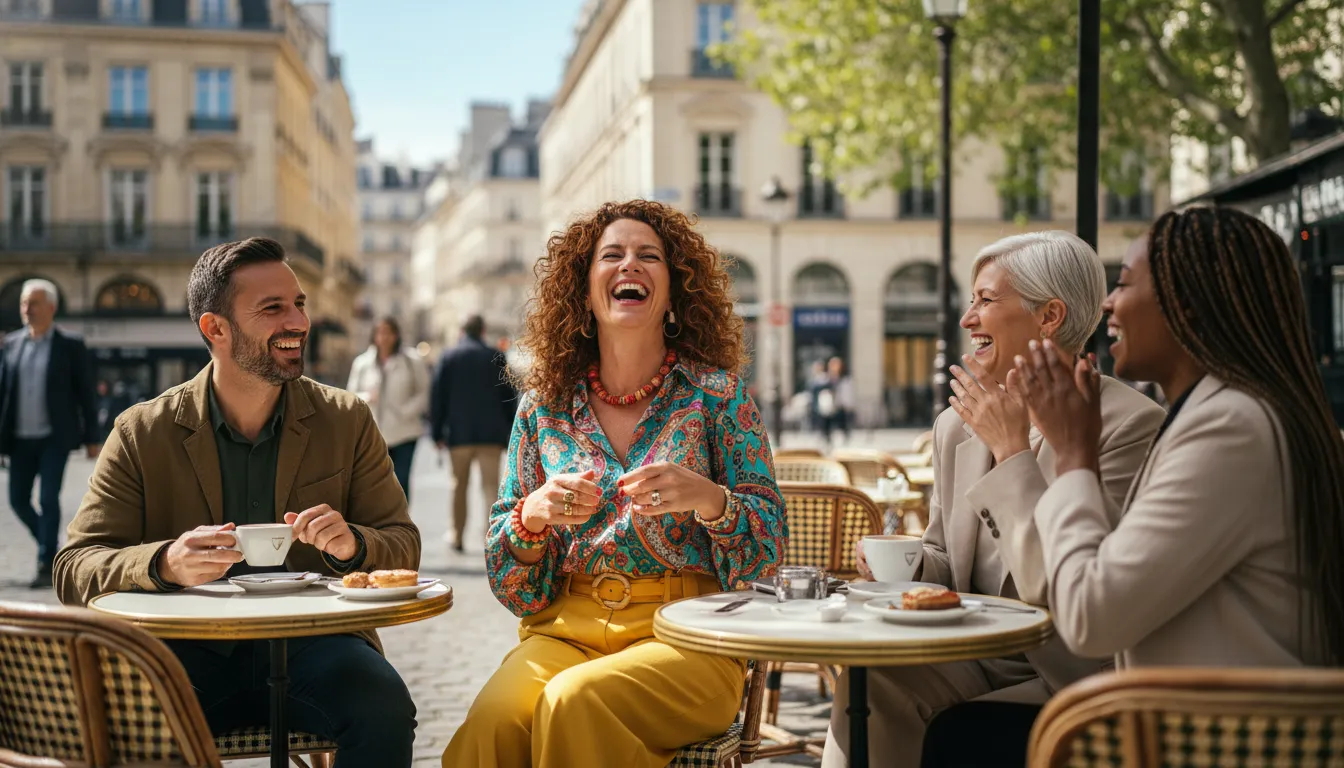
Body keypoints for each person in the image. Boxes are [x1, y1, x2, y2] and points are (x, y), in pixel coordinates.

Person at [923, 207, 1344, 767]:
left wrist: (1073, 454)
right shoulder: (1222, 414)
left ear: (1186, 307)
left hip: (1210, 733)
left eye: (1124, 283)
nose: (1106, 305)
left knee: (960, 739)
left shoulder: (1228, 429)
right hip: (1189, 714)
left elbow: (1093, 619)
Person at [442, 200, 787, 768]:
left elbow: (769, 551)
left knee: (574, 703)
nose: (630, 265)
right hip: (564, 631)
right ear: (583, 292)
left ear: (674, 292)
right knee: (494, 721)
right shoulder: (542, 407)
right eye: (612, 255)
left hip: (690, 636)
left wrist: (710, 499)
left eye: (648, 256)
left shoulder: (718, 395)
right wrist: (531, 516)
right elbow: (513, 587)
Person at [53, 237, 422, 767]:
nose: (297, 321)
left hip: (315, 645)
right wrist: (163, 562)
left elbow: (403, 545)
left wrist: (353, 544)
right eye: (273, 308)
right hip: (185, 649)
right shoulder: (141, 431)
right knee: (133, 722)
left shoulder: (346, 418)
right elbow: (74, 569)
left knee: (381, 704)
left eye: (299, 304)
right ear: (215, 328)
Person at [827, 231, 1166, 768]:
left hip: (1065, 669)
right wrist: (906, 563)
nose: (967, 318)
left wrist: (1012, 451)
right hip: (973, 652)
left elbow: (1081, 590)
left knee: (955, 728)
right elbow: (945, 561)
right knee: (870, 682)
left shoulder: (1128, 426)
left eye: (986, 300)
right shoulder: (955, 426)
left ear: (1049, 316)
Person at [0, 278, 100, 589]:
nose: (27, 309)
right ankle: (51, 545)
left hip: (54, 438)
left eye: (34, 303)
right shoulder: (12, 345)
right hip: (18, 439)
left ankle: (46, 562)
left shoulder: (70, 345)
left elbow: (86, 393)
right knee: (17, 500)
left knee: (48, 498)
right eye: (24, 304)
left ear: (52, 308)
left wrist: (93, 436)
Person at [430, 314, 516, 553]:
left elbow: (438, 397)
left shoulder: (449, 356)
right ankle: (491, 537)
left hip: (459, 434)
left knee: (459, 486)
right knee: (490, 487)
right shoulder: (495, 356)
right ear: (483, 330)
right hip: (491, 433)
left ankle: (457, 535)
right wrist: (511, 429)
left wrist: (437, 431)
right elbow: (508, 395)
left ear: (462, 331)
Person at [347, 316, 430, 501]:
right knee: (372, 484)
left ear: (396, 335)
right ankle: (376, 528)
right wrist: (366, 397)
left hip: (404, 433)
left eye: (388, 332)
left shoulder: (412, 361)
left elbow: (424, 392)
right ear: (374, 336)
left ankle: (402, 526)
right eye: (380, 332)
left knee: (400, 483)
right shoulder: (362, 363)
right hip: (373, 434)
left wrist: (406, 411)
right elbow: (350, 396)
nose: (384, 337)